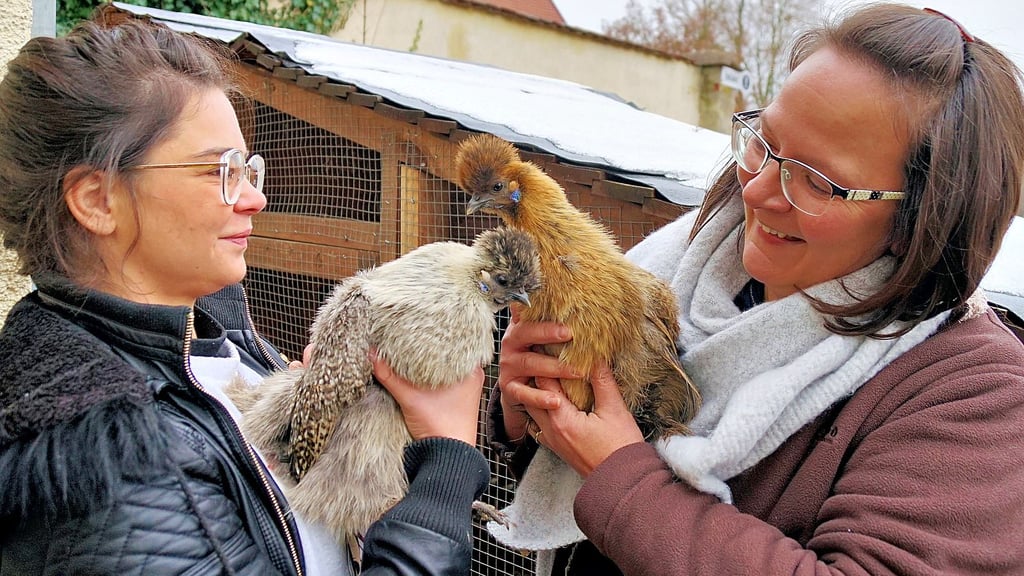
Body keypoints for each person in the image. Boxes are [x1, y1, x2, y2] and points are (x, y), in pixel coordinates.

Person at [487, 3, 1024, 574]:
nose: (758, 192)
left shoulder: (978, 396)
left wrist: (622, 474)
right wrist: (530, 419)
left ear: (924, 218)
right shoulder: (672, 272)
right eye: (764, 143)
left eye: (818, 182)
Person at [0, 10, 489, 575]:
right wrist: (449, 462)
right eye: (220, 171)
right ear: (97, 201)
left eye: (247, 167)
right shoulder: (119, 464)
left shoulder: (210, 334)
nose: (255, 199)